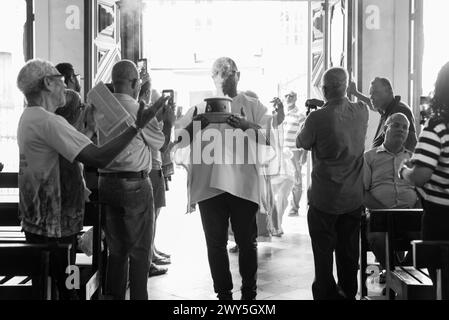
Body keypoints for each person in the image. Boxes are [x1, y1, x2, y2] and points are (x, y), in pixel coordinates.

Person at [16, 58, 166, 299]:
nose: (66, 87)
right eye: (60, 80)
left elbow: (66, 155)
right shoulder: (49, 122)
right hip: (55, 228)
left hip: (43, 222)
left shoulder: (30, 117)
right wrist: (135, 127)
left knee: (72, 281)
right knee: (70, 289)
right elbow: (98, 158)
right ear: (47, 83)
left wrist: (90, 128)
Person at [175, 57, 272, 300]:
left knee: (247, 242)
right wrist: (196, 126)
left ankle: (249, 292)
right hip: (209, 188)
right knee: (215, 244)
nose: (225, 78)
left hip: (242, 185)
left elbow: (268, 139)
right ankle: (223, 294)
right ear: (213, 77)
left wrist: (246, 124)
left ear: (238, 75)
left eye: (230, 74)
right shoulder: (199, 109)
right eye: (220, 73)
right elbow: (178, 142)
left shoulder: (252, 105)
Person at [97, 59, 168, 300]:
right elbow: (160, 144)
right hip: (135, 184)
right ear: (136, 83)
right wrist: (167, 121)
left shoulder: (99, 107)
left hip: (106, 183)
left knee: (115, 251)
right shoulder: (139, 110)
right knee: (140, 252)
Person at [296, 67, 369, 300]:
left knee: (323, 257)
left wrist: (311, 115)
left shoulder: (316, 118)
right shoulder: (362, 111)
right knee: (349, 256)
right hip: (352, 198)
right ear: (346, 86)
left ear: (325, 89)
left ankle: (325, 295)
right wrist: (328, 102)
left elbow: (302, 142)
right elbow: (342, 108)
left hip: (324, 199)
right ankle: (348, 294)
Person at [399, 61, 449, 300]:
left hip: (442, 219)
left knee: (443, 283)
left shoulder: (438, 127)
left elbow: (420, 176)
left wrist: (404, 171)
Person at [364, 113, 420, 283]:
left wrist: (416, 209)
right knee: (378, 237)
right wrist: (386, 212)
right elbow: (362, 193)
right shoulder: (369, 157)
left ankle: (400, 271)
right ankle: (393, 271)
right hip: (379, 216)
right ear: (385, 128)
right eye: (396, 125)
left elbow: (420, 193)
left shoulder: (413, 159)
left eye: (405, 128)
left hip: (409, 215)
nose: (401, 130)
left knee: (425, 234)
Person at [138, 77, 174, 277]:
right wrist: (169, 123)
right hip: (150, 167)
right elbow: (162, 143)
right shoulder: (143, 113)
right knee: (151, 217)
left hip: (152, 166)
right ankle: (148, 257)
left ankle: (151, 251)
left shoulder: (145, 114)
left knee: (153, 216)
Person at [348, 77, 418, 151]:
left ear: (388, 92)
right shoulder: (386, 108)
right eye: (370, 94)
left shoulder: (400, 111)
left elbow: (411, 145)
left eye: (375, 93)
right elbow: (371, 104)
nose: (371, 97)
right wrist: (355, 93)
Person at [280, 91, 307, 217]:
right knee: (283, 178)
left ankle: (294, 207)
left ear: (296, 98)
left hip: (295, 151)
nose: (288, 98)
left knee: (296, 179)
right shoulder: (282, 114)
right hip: (282, 150)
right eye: (286, 96)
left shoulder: (300, 115)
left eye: (291, 96)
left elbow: (305, 135)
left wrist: (304, 154)